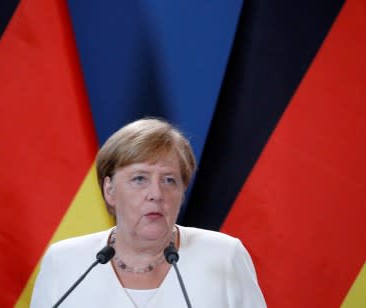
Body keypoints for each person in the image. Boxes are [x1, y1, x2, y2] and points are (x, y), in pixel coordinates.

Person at [30, 118, 266, 307]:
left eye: (169, 180)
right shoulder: (64, 262)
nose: (156, 193)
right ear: (110, 190)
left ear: (182, 193)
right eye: (140, 178)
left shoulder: (224, 255)